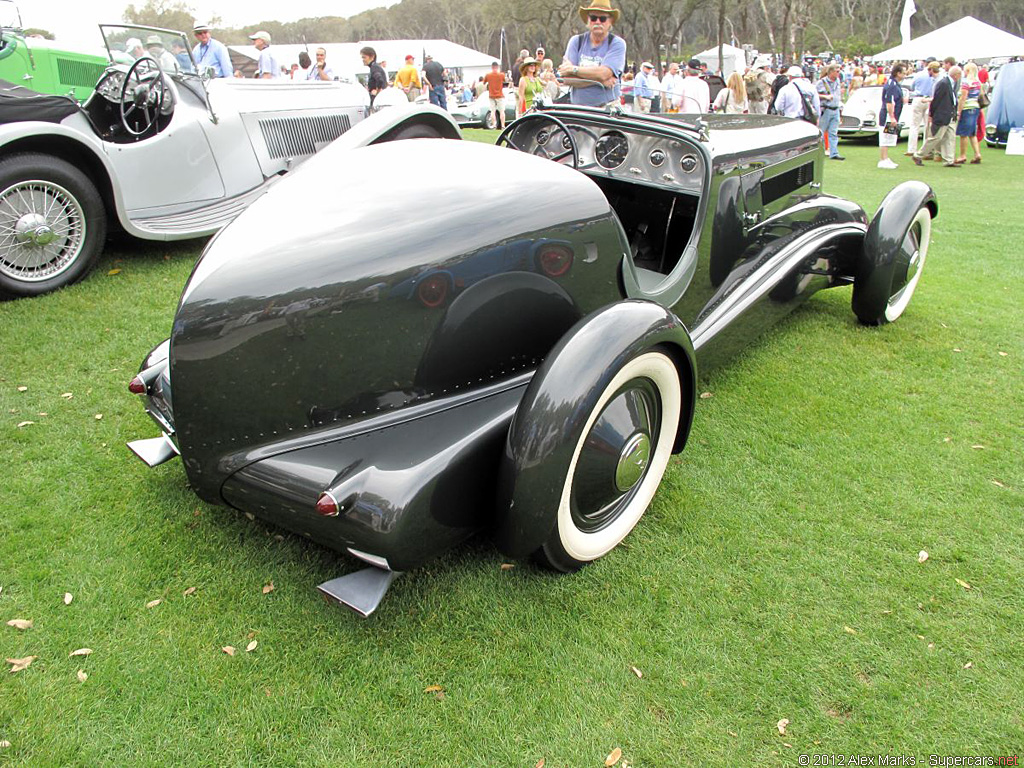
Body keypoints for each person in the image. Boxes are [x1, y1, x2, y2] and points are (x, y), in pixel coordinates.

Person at [557, 0, 626, 108]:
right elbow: (567, 79)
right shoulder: (576, 41)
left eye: (602, 18)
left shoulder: (617, 43)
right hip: (578, 109)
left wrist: (574, 70)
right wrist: (600, 81)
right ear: (588, 20)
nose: (597, 22)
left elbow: (604, 73)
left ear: (610, 21)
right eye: (593, 18)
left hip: (608, 110)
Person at [913, 65, 960, 167]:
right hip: (943, 115)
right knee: (935, 137)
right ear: (956, 75)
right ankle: (918, 155)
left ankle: (949, 160)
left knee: (950, 137)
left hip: (950, 114)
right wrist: (931, 114)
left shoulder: (950, 83)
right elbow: (936, 100)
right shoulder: (943, 83)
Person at [905, 60, 940, 157]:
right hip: (929, 99)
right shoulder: (936, 77)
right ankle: (926, 150)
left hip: (918, 98)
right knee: (927, 126)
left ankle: (912, 149)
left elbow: (912, 86)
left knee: (914, 125)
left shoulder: (918, 74)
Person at [877, 63, 906, 169]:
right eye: (903, 73)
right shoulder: (892, 85)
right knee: (885, 137)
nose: (905, 75)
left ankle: (886, 157)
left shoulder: (895, 84)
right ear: (898, 73)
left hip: (893, 115)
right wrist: (892, 116)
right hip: (888, 116)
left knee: (889, 137)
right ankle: (882, 159)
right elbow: (889, 102)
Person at [955, 61, 983, 164]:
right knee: (972, 133)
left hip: (967, 108)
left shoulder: (966, 83)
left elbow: (963, 98)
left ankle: (962, 155)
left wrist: (959, 111)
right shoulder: (978, 83)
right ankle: (977, 153)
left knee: (963, 133)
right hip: (976, 108)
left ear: (967, 71)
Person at [816, 63, 844, 160]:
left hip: (835, 109)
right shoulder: (821, 82)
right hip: (826, 109)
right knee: (821, 132)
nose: (838, 73)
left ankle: (834, 153)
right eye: (837, 71)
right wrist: (825, 97)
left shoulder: (838, 81)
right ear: (831, 72)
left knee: (833, 132)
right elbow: (814, 95)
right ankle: (819, 152)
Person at [482, 61, 507, 129]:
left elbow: (483, 83)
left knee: (492, 111)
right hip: (500, 95)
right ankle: (503, 125)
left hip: (491, 95)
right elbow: (506, 81)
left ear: (492, 67)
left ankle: (494, 125)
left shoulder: (488, 75)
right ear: (498, 67)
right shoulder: (501, 75)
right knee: (502, 111)